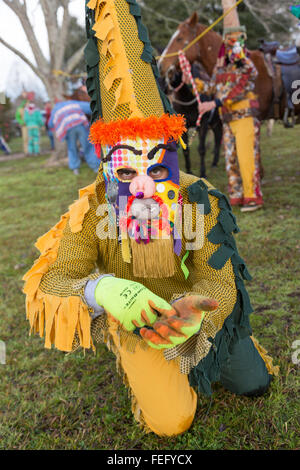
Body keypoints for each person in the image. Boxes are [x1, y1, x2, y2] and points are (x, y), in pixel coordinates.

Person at [23, 0, 278, 437]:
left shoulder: (202, 198)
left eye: (157, 169)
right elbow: (48, 283)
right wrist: (99, 289)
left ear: (175, 163)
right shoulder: (95, 208)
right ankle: (133, 356)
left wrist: (201, 313)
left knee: (255, 384)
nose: (141, 188)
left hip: (194, 314)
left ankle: (218, 351)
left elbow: (220, 279)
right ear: (105, 168)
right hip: (137, 325)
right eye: (125, 172)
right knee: (171, 423)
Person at [197, 3, 263, 213]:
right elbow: (213, 88)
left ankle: (252, 197)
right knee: (231, 160)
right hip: (227, 120)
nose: (232, 43)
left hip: (244, 117)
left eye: (236, 40)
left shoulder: (246, 65)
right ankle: (236, 196)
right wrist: (195, 83)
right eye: (229, 40)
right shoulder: (221, 68)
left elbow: (238, 89)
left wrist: (213, 103)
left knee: (246, 158)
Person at [48, 100, 99, 175]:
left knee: (72, 148)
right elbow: (89, 107)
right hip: (80, 124)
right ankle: (95, 167)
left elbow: (50, 123)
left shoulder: (55, 108)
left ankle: (75, 168)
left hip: (68, 128)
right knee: (88, 146)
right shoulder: (73, 103)